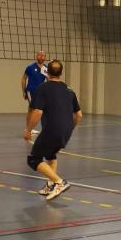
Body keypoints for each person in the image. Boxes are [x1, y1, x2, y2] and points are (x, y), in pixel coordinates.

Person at [24, 59, 82, 200]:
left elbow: (37, 112)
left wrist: (28, 130)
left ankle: (59, 182)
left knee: (33, 159)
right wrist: (70, 128)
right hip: (66, 131)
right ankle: (50, 185)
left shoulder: (42, 88)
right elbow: (79, 115)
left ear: (47, 72)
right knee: (50, 155)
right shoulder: (70, 90)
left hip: (51, 130)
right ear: (61, 73)